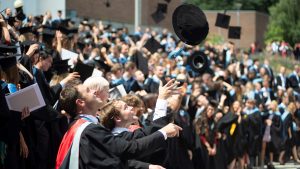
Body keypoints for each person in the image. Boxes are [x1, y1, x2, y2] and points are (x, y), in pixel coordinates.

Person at [56, 84, 182, 169]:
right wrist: (163, 132)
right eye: (88, 91)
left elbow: (113, 161)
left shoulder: (81, 128)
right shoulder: (88, 130)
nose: (94, 91)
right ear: (81, 102)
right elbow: (129, 149)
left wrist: (147, 167)